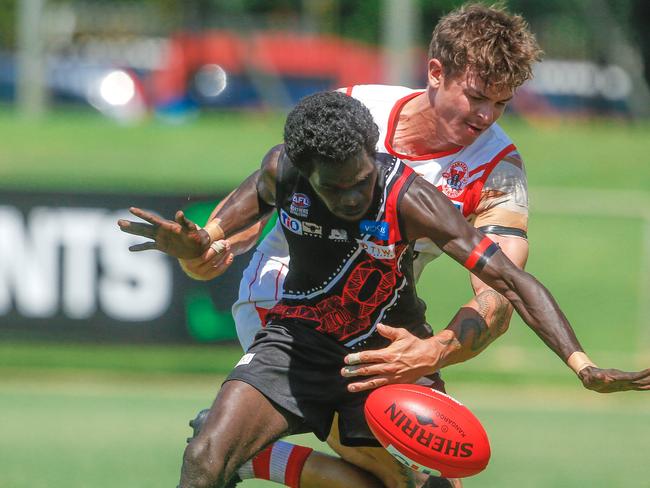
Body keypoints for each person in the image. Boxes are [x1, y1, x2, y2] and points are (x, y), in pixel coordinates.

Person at [118, 91, 650, 488]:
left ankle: (266, 459)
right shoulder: (282, 171)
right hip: (297, 342)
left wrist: (583, 365)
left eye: (361, 180)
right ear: (306, 172)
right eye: (336, 187)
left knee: (416, 485)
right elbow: (212, 243)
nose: (352, 196)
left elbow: (510, 280)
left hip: (385, 351)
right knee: (204, 458)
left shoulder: (410, 198)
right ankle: (242, 444)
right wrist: (197, 244)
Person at [179, 4, 538, 487]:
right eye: (477, 96)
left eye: (502, 103)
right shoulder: (353, 108)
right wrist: (212, 248)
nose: (486, 116)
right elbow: (271, 192)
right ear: (435, 72)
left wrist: (434, 350)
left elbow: (499, 294)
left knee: (430, 481)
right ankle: (233, 450)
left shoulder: (498, 170)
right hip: (286, 300)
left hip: (380, 318)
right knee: (405, 480)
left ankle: (246, 456)